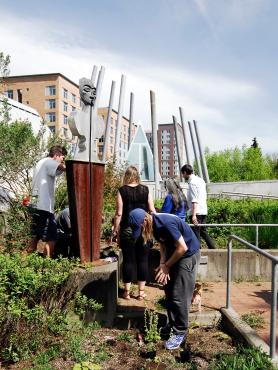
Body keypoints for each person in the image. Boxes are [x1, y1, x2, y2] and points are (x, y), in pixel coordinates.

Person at [128, 208, 200, 350]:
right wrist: (162, 263)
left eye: (140, 228)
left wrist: (167, 265)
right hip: (174, 255)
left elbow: (182, 247)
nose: (141, 232)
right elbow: (163, 243)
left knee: (179, 294)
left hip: (187, 256)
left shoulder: (165, 223)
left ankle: (180, 331)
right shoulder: (153, 225)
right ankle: (172, 325)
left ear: (145, 220)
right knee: (169, 290)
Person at [112, 166, 156, 300]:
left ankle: (126, 292)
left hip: (127, 229)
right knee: (143, 260)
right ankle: (141, 292)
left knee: (128, 261)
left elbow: (119, 213)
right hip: (144, 229)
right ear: (137, 176)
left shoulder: (122, 190)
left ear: (126, 176)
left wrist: (115, 231)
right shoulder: (145, 189)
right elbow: (152, 210)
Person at [28, 145, 67, 257]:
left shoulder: (41, 162)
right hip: (43, 207)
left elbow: (56, 172)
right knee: (52, 236)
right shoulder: (49, 161)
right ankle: (47, 266)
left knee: (35, 236)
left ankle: (25, 264)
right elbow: (62, 168)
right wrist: (71, 166)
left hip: (35, 205)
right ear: (56, 155)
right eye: (62, 158)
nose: (62, 160)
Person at [180, 164, 215, 249]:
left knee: (196, 233)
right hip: (203, 210)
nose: (182, 176)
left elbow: (194, 200)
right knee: (203, 231)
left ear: (185, 172)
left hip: (197, 212)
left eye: (182, 174)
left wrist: (194, 215)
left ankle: (198, 252)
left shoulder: (192, 183)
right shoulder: (200, 180)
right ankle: (213, 248)